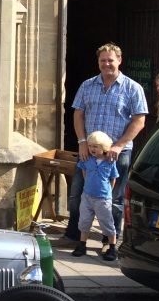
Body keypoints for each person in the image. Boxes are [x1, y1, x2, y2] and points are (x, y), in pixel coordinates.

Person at [62, 42, 148, 245]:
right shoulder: (87, 85)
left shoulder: (133, 88)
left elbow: (139, 120)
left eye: (110, 60)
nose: (107, 64)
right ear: (98, 62)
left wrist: (118, 145)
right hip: (89, 152)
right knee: (77, 195)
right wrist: (82, 142)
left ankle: (110, 243)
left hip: (116, 153)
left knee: (114, 200)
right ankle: (74, 237)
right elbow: (78, 114)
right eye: (103, 60)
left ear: (119, 60)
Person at [72, 131, 120, 261]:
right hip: (87, 196)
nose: (92, 149)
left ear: (104, 147)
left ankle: (112, 247)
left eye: (96, 146)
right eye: (90, 146)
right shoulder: (87, 159)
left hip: (103, 198)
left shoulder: (110, 162)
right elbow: (84, 171)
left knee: (106, 222)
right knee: (84, 220)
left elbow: (113, 178)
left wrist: (108, 191)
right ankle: (82, 245)